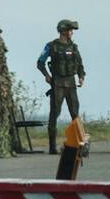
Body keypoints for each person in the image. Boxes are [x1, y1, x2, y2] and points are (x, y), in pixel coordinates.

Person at [37, 19, 86, 154]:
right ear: (63, 31)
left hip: (71, 83)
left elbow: (80, 64)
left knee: (75, 114)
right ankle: (52, 146)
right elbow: (40, 62)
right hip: (57, 83)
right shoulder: (51, 46)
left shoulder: (74, 47)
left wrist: (81, 77)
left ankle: (80, 145)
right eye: (70, 30)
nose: (71, 33)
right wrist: (46, 75)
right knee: (54, 114)